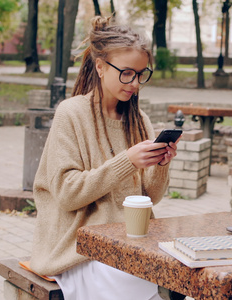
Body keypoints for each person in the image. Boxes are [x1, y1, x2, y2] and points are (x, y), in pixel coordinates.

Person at [30, 15, 179, 300]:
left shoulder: (138, 120)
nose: (134, 82)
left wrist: (161, 164)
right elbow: (67, 194)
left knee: (178, 265)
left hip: (130, 241)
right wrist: (128, 161)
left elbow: (150, 198)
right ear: (100, 66)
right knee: (132, 277)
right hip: (78, 248)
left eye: (140, 74)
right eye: (126, 73)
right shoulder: (71, 113)